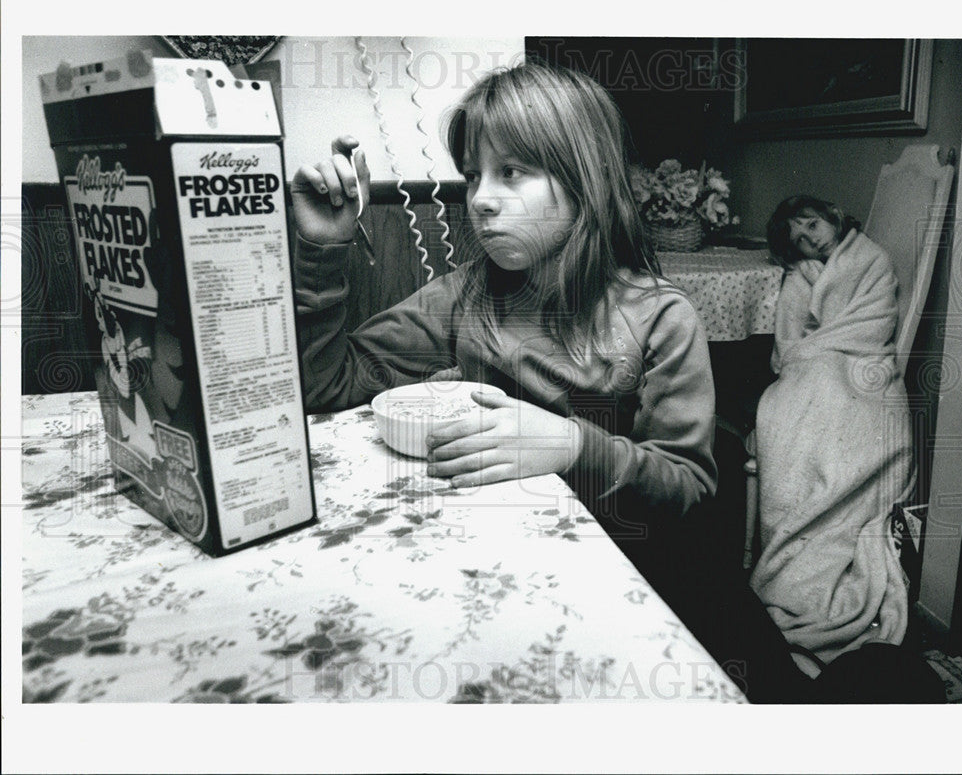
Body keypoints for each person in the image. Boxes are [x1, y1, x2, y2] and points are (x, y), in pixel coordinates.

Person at [291, 61, 812, 702]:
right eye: (474, 174)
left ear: (583, 181)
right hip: (513, 570)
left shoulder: (658, 316)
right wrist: (323, 249)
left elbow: (690, 487)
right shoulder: (465, 296)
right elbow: (327, 384)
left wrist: (571, 444)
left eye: (511, 171)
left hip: (647, 579)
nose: (479, 197)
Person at [752, 195, 943, 700]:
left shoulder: (871, 261)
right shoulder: (800, 276)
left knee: (849, 436)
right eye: (798, 237)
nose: (809, 238)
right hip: (814, 370)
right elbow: (786, 347)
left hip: (865, 369)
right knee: (791, 423)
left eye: (812, 225)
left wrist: (813, 352)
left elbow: (873, 326)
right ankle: (800, 507)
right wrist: (804, 357)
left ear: (833, 216)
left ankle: (835, 499)